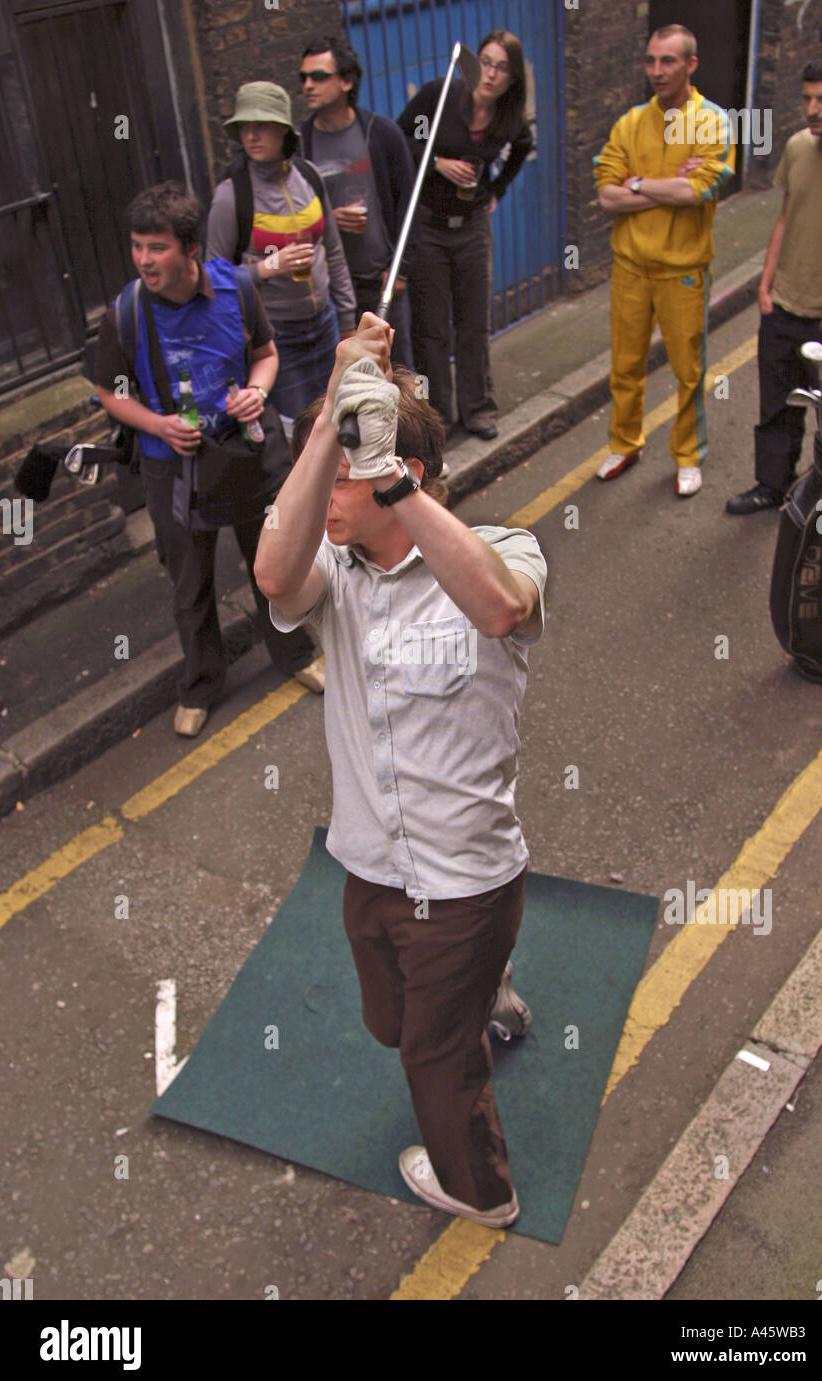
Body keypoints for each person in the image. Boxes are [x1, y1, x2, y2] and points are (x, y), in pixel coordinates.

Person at [253, 313, 546, 1226]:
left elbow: (500, 609)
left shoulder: (505, 550)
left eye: (347, 481)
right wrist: (328, 419)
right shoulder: (332, 576)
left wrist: (386, 476)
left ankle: (479, 1190)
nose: (327, 499)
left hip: (465, 881)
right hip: (371, 867)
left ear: (399, 478)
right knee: (390, 1020)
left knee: (430, 1052)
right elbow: (272, 575)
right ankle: (487, 992)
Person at [94, 181, 324, 740]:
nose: (144, 260)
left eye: (157, 247)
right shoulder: (125, 311)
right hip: (172, 468)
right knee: (189, 583)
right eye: (138, 246)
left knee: (270, 563)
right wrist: (158, 425)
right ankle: (201, 684)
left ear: (190, 248)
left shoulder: (238, 288)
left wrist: (258, 390)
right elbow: (109, 391)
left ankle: (293, 655)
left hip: (244, 452)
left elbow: (265, 356)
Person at [594, 24, 734, 497]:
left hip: (683, 273)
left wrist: (637, 183)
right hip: (630, 268)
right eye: (651, 60)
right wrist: (663, 188)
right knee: (625, 366)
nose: (657, 71)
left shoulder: (711, 121)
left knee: (688, 372)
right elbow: (606, 196)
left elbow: (700, 190)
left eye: (668, 61)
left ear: (691, 64)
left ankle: (688, 456)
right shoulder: (630, 123)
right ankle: (625, 443)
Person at [727, 50, 822, 515]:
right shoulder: (798, 146)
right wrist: (764, 289)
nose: (813, 110)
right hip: (783, 308)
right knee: (776, 412)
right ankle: (771, 487)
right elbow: (785, 218)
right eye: (806, 99)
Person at [395, 31, 533, 440]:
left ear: (512, 78)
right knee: (433, 329)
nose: (490, 74)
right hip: (430, 226)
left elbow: (523, 145)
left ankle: (477, 409)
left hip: (472, 228)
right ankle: (438, 417)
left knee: (473, 323)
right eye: (486, 62)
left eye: (501, 68)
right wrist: (437, 161)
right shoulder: (439, 97)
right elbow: (401, 138)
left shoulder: (508, 118)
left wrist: (498, 189)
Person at [206, 82, 357, 443]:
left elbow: (333, 251)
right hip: (279, 340)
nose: (252, 136)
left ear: (284, 131)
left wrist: (348, 321)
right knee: (302, 435)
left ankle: (345, 499)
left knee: (342, 420)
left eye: (262, 126)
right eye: (245, 127)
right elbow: (213, 280)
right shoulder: (231, 197)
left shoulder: (309, 177)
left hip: (327, 325)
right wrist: (268, 268)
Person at [298, 35, 417, 370]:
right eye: (303, 78)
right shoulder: (300, 144)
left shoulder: (382, 134)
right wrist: (329, 219)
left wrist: (400, 270)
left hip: (380, 281)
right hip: (330, 291)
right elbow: (292, 216)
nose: (308, 85)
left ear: (347, 81)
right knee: (345, 381)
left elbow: (409, 206)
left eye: (319, 76)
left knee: (397, 373)